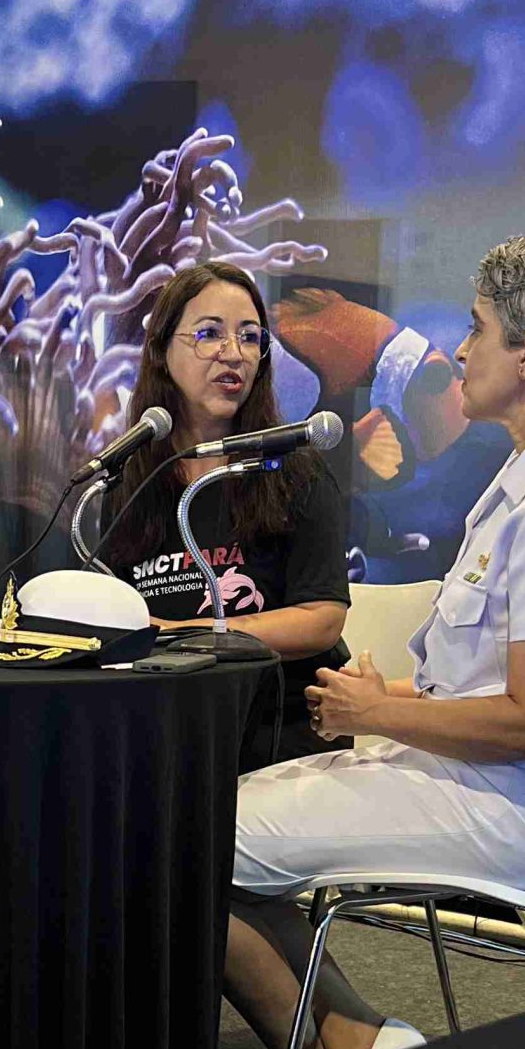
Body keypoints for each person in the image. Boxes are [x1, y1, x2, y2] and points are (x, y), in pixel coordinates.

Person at [224, 233, 525, 1049]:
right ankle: (355, 1044)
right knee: (207, 825)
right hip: (465, 778)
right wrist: (388, 704)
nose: (459, 350)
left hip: (504, 807)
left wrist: (381, 714)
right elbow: (489, 689)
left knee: (197, 840)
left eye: (478, 328)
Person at [100, 260, 349, 753]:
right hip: (169, 726)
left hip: (279, 728)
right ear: (161, 350)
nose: (234, 353)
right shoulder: (129, 482)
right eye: (209, 334)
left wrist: (185, 634)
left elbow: (322, 619)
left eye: (250, 338)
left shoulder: (294, 471)